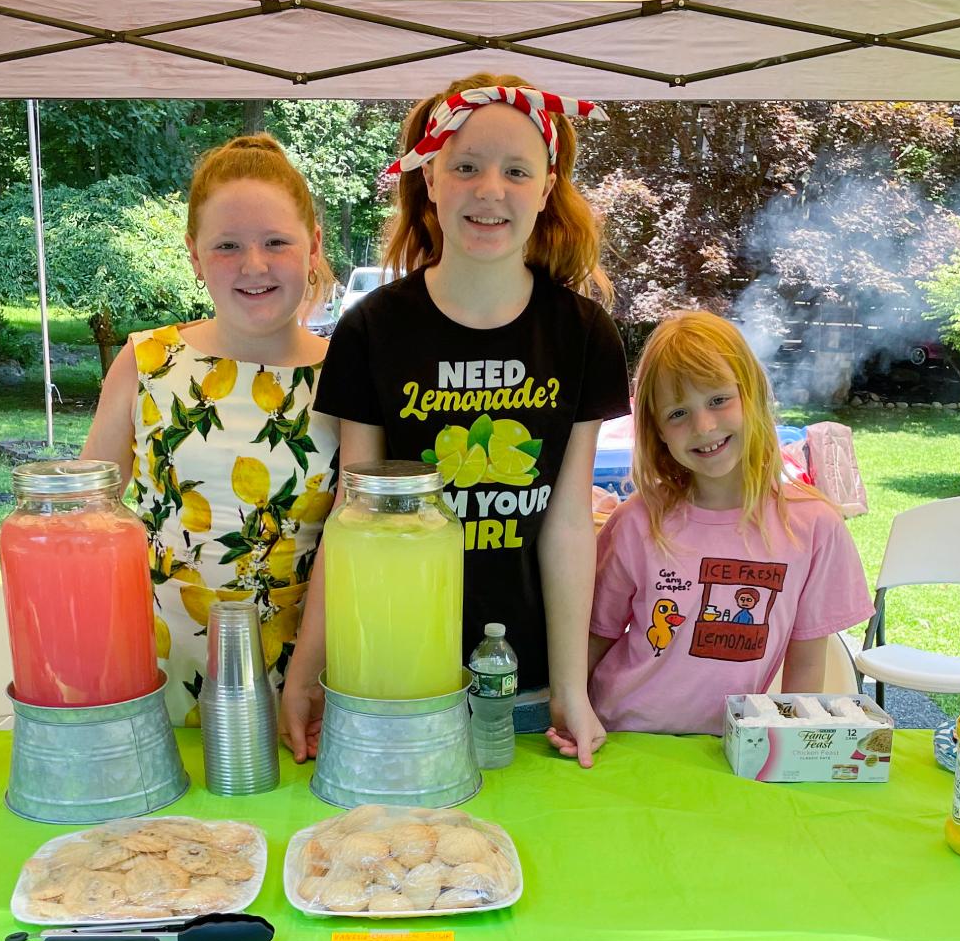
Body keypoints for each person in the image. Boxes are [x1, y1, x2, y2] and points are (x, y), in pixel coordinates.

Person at [281, 74, 630, 768]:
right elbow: (351, 520)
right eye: (464, 166)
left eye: (515, 170)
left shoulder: (585, 334)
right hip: (395, 681)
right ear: (429, 181)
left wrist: (570, 685)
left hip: (524, 688)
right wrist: (307, 669)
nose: (488, 189)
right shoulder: (371, 330)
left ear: (546, 185)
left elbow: (567, 524)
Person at [83, 134, 337, 722]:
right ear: (195, 256)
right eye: (228, 246)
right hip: (152, 679)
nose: (254, 265)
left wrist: (313, 680)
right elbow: (86, 523)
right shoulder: (145, 361)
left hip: (301, 691)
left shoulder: (348, 376)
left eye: (276, 242)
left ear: (313, 246)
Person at [580, 312, 873, 740]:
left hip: (733, 748)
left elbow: (806, 665)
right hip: (621, 737)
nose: (704, 427)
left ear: (750, 394)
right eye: (678, 412)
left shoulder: (815, 527)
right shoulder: (635, 523)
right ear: (656, 430)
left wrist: (789, 752)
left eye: (718, 400)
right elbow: (594, 640)